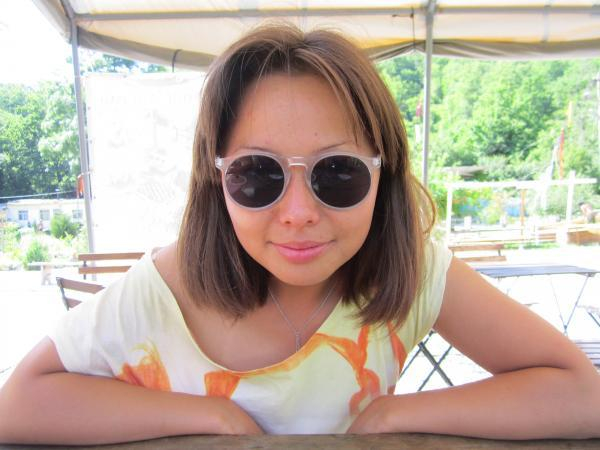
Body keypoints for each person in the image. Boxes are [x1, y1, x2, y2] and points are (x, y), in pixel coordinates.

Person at [1, 24, 599, 445]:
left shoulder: (410, 269)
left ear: (383, 173)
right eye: (256, 174)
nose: (297, 212)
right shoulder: (165, 288)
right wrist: (215, 419)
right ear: (215, 178)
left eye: (337, 173)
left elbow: (582, 394)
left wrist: (391, 416)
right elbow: (19, 404)